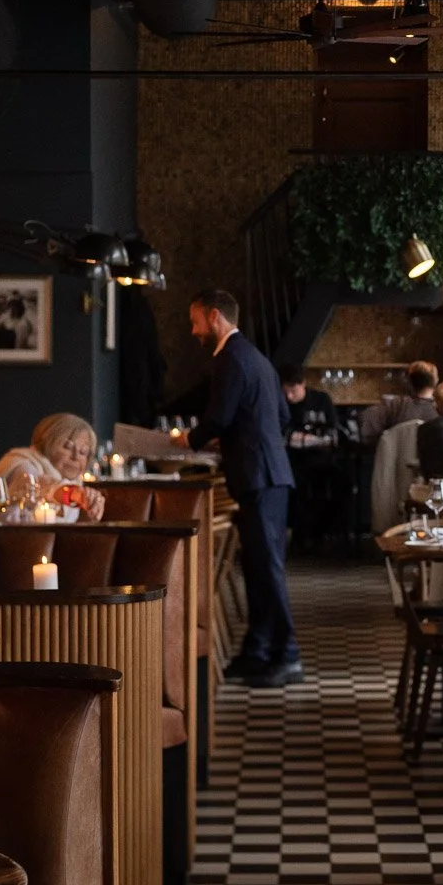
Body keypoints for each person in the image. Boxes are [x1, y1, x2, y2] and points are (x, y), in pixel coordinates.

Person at [188, 290, 301, 687]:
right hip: (269, 475)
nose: (193, 330)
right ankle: (257, 650)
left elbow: (217, 417)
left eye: (196, 321)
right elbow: (283, 415)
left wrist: (189, 440)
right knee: (257, 567)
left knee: (266, 569)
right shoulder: (256, 357)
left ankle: (287, 654)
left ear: (214, 316)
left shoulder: (230, 357)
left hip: (260, 477)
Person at [0, 413, 106, 520]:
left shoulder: (76, 481)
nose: (75, 457)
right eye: (67, 447)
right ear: (47, 443)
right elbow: (41, 485)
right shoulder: (23, 464)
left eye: (83, 452)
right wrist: (73, 494)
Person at [358, 361, 440, 443]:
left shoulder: (398, 404)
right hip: (431, 455)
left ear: (410, 382)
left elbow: (367, 419)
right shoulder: (442, 408)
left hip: (399, 454)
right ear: (435, 381)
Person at [281, 366, 336, 442]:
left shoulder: (322, 399)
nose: (289, 396)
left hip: (321, 450)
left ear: (303, 383)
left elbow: (333, 427)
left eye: (293, 391)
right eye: (285, 392)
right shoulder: (281, 404)